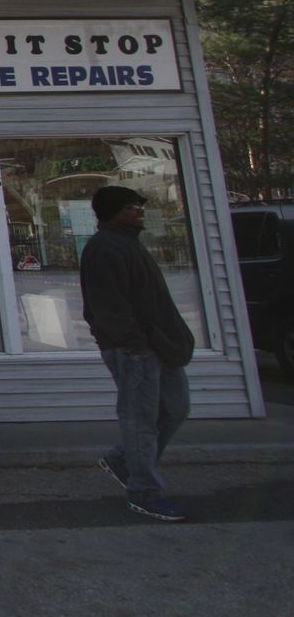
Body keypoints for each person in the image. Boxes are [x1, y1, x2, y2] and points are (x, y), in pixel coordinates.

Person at [79, 185, 196, 521]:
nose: (140, 212)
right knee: (140, 418)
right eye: (133, 207)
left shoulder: (128, 244)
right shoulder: (104, 248)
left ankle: (123, 461)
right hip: (134, 348)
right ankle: (144, 491)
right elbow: (107, 306)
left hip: (159, 344)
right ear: (115, 211)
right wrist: (134, 342)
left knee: (175, 408)